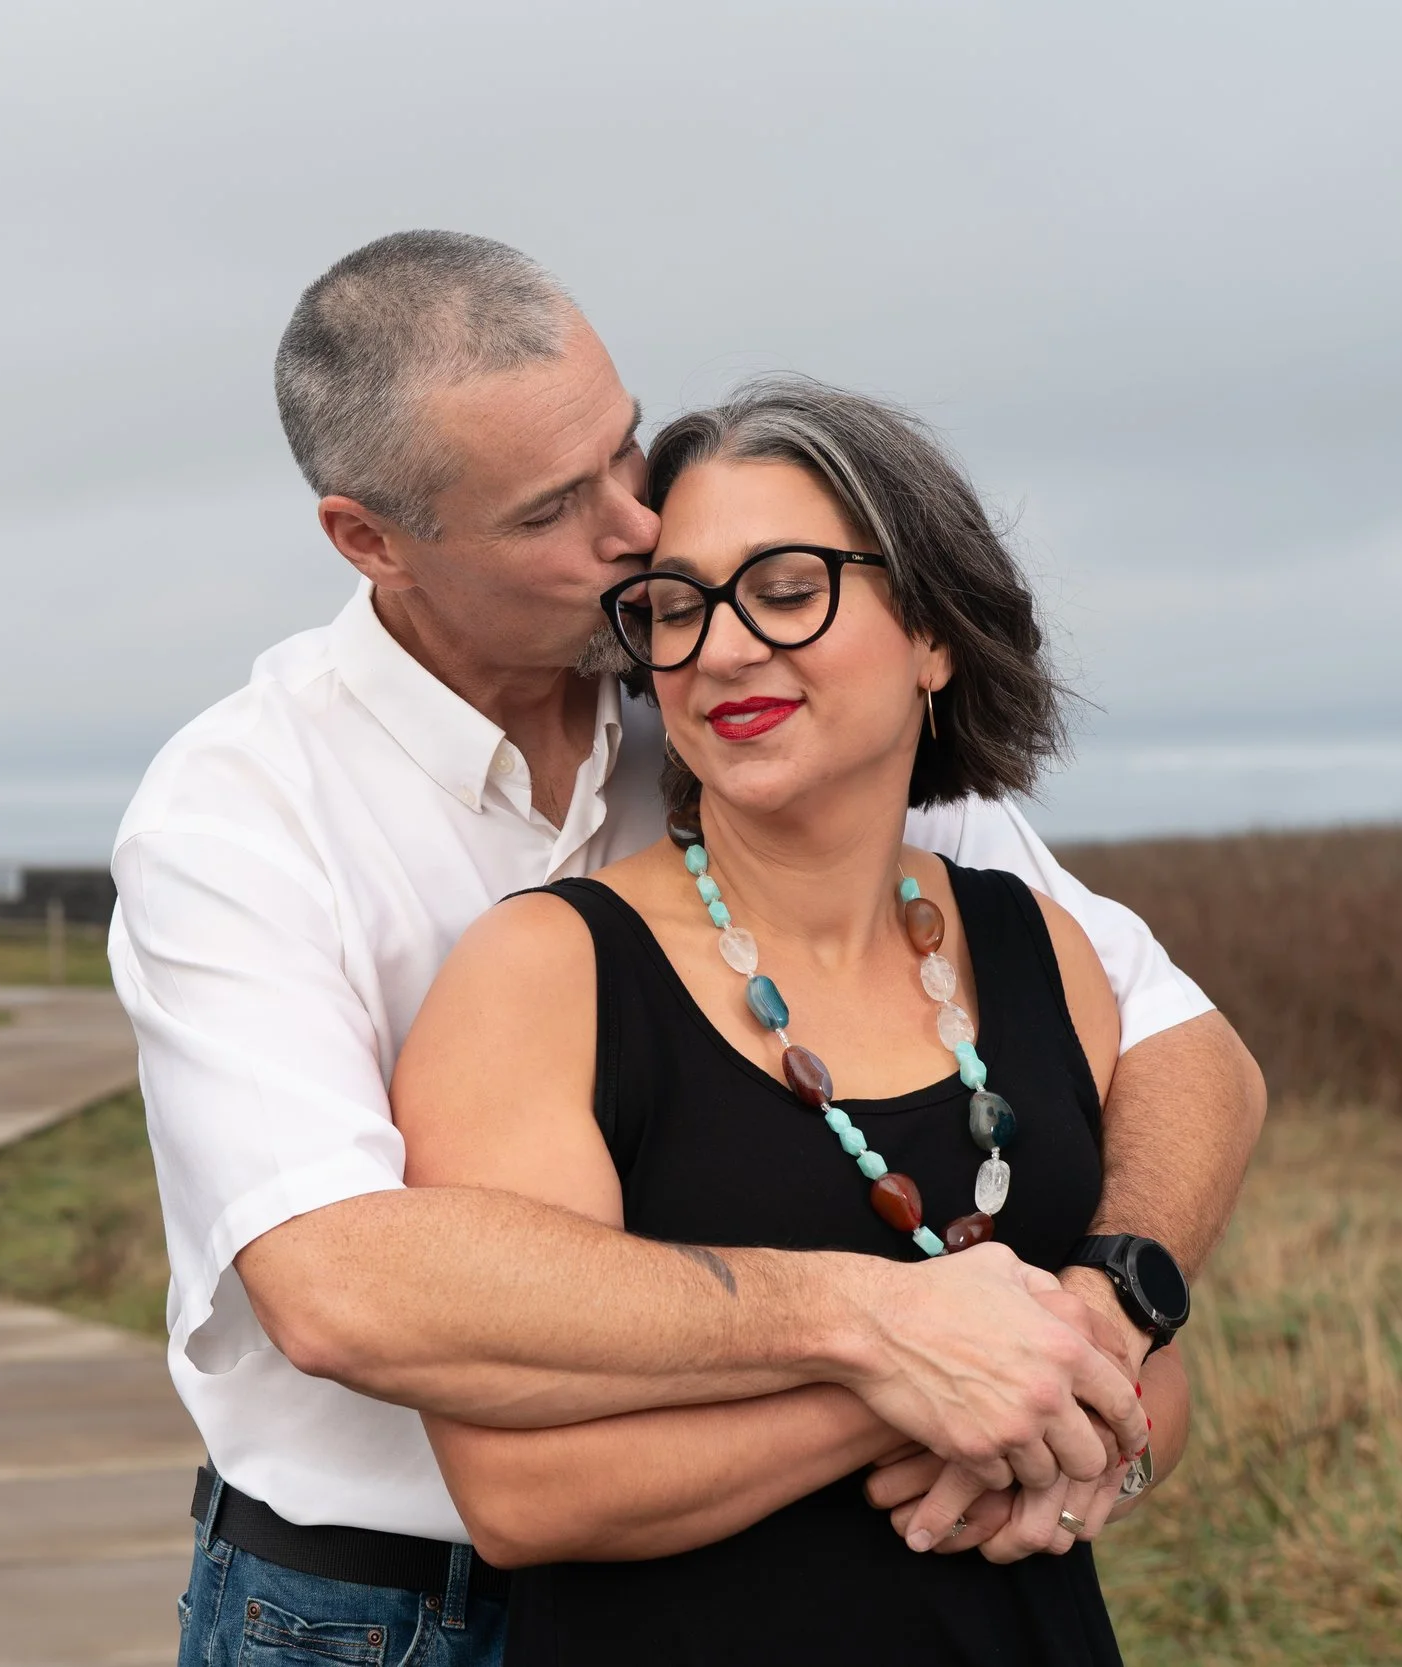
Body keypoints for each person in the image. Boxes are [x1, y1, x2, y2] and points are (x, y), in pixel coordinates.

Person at [110, 231, 1262, 1667]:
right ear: (372, 539)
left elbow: (1178, 1039)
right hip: (386, 1606)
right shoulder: (239, 814)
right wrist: (891, 1334)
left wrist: (1099, 1316)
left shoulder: (745, 698)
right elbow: (341, 1283)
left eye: (625, 453)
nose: (637, 532)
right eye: (552, 509)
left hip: (838, 1561)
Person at [395, 379, 1188, 1664]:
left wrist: (1093, 1426)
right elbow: (518, 1495)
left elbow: (1153, 1385)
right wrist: (920, 1378)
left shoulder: (1036, 943)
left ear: (932, 632)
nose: (716, 650)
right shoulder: (549, 969)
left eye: (783, 589)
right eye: (676, 606)